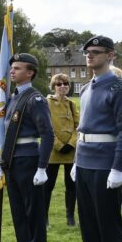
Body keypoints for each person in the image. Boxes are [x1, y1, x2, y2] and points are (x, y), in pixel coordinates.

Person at [68, 36, 122, 242]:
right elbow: (81, 130)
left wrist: (118, 167)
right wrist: (76, 161)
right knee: (87, 219)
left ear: (110, 55)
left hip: (105, 161)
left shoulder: (120, 89)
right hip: (84, 160)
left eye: (96, 52)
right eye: (87, 52)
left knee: (107, 219)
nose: (89, 56)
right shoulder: (85, 88)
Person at [0, 54, 53, 242]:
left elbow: (47, 133)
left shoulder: (34, 98)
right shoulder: (14, 97)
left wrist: (42, 166)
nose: (12, 71)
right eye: (12, 67)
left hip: (28, 158)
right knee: (19, 210)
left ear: (30, 73)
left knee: (33, 211)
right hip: (12, 158)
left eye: (17, 68)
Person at [46, 73, 79, 227]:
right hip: (52, 151)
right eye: (59, 84)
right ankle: (44, 217)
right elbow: (46, 128)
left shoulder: (72, 104)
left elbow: (78, 126)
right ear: (53, 86)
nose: (63, 87)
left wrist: (72, 143)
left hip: (70, 151)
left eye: (65, 84)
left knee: (71, 185)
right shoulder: (47, 103)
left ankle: (70, 217)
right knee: (48, 185)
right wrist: (58, 145)